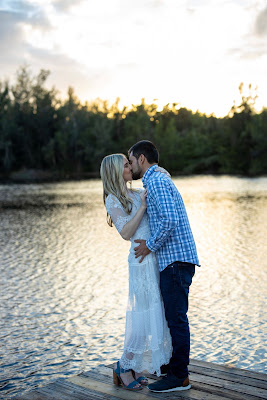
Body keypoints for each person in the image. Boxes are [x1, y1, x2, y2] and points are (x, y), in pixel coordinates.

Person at [128, 140, 199, 393]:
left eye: (132, 160)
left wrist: (150, 245)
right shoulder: (157, 179)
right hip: (176, 260)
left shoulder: (156, 181)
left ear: (143, 159)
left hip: (175, 261)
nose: (131, 165)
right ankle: (175, 369)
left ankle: (179, 377)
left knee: (177, 319)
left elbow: (169, 220)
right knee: (174, 317)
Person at [100, 153, 172, 391]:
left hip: (153, 256)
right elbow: (126, 232)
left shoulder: (136, 191)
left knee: (155, 311)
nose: (130, 166)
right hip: (140, 261)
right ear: (115, 171)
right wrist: (141, 206)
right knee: (141, 314)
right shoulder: (114, 199)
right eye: (125, 164)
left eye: (128, 162)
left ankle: (134, 368)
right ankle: (122, 366)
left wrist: (163, 173)